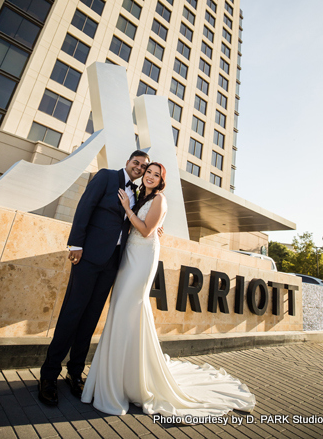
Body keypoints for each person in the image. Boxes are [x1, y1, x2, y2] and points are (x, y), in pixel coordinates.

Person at [81, 162, 256, 420]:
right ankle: (119, 375)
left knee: (130, 307)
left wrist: (129, 210)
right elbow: (142, 227)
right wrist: (136, 215)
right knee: (121, 310)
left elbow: (146, 229)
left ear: (161, 180)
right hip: (128, 254)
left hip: (141, 259)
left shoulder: (160, 199)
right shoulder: (144, 197)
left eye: (155, 174)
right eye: (148, 173)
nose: (150, 177)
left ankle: (124, 381)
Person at [38, 150, 150, 406]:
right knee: (71, 315)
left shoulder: (140, 193)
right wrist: (75, 244)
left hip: (113, 263)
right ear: (128, 161)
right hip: (88, 258)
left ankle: (75, 373)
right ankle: (48, 376)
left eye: (144, 167)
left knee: (90, 319)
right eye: (137, 163)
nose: (140, 168)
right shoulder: (107, 177)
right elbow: (85, 206)